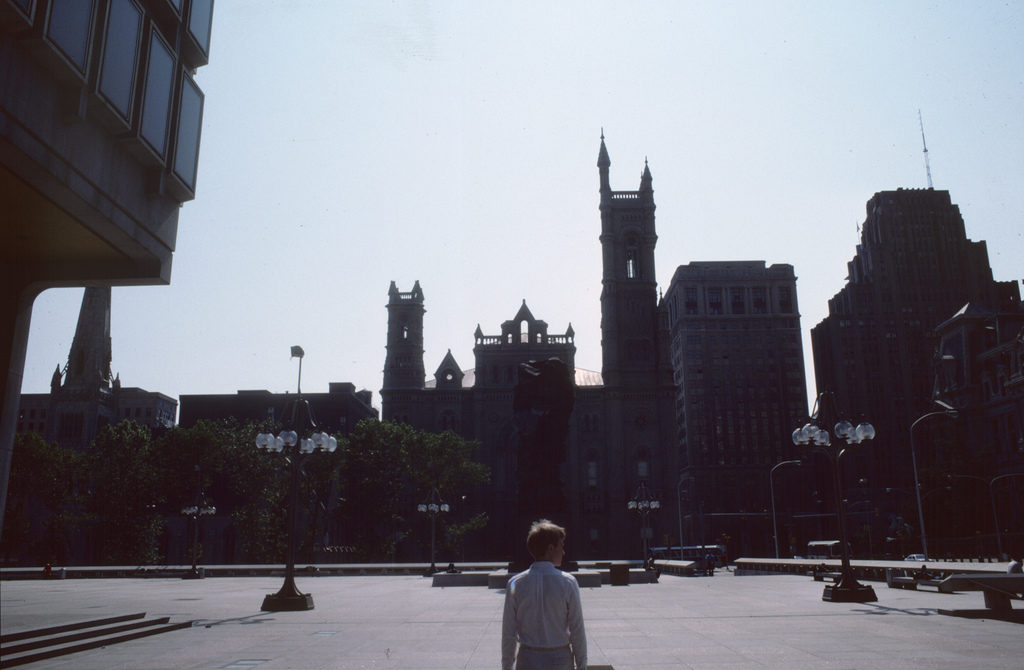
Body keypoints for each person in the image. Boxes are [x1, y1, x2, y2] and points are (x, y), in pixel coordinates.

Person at [502, 519, 587, 670]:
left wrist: (507, 666)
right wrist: (582, 665)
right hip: (560, 658)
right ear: (550, 548)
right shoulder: (568, 582)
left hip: (527, 659)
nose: (564, 551)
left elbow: (509, 632)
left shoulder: (516, 583)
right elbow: (577, 629)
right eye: (561, 546)